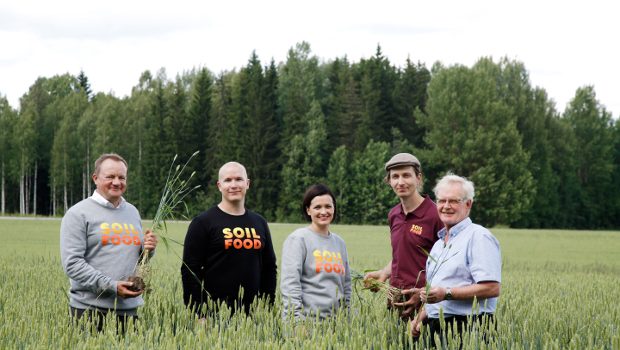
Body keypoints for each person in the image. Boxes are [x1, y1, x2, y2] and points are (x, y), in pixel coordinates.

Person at [60, 153, 158, 331]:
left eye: (122, 177)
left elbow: (134, 257)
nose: (117, 182)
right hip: (89, 313)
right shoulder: (78, 213)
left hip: (128, 312)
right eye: (110, 177)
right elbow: (72, 264)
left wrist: (148, 250)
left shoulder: (132, 212)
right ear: (95, 178)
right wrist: (112, 286)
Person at [412, 173, 501, 347]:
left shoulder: (478, 237)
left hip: (470, 327)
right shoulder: (438, 244)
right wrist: (420, 318)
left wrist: (447, 293)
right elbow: (437, 290)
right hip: (435, 327)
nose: (446, 206)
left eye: (453, 201)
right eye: (441, 201)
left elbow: (492, 287)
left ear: (468, 204)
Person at [181, 162, 277, 316]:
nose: (234, 185)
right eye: (228, 180)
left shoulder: (259, 222)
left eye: (239, 179)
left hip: (254, 315)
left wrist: (267, 306)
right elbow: (190, 270)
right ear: (219, 185)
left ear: (247, 183)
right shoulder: (203, 222)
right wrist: (198, 313)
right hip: (214, 313)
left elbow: (269, 268)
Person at [364, 153, 443, 318]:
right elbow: (403, 254)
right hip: (396, 298)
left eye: (406, 175)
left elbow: (448, 263)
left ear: (418, 178)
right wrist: (384, 273)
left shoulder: (436, 215)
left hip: (426, 303)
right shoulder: (394, 214)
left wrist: (425, 294)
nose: (400, 182)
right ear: (389, 181)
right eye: (395, 177)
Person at [280, 184, 351, 320]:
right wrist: (296, 322)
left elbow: (346, 285)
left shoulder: (339, 243)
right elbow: (290, 283)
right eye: (317, 207)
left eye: (328, 206)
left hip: (338, 325)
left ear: (334, 208)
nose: (324, 212)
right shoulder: (298, 239)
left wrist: (346, 318)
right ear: (308, 210)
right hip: (307, 324)